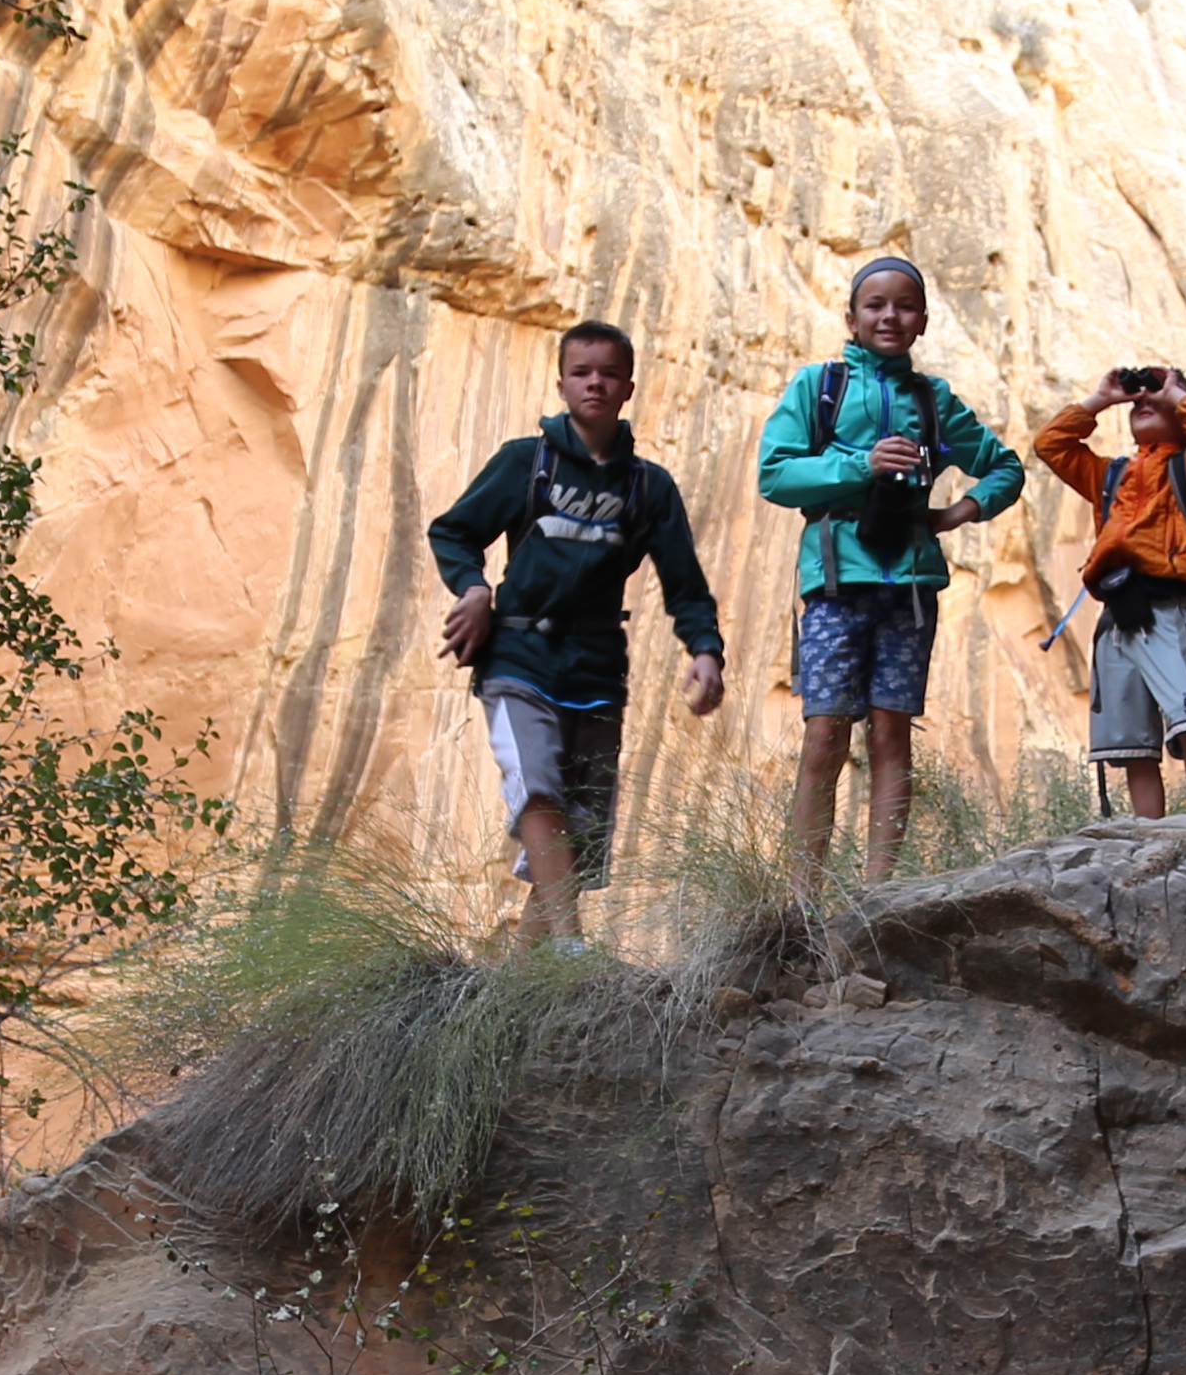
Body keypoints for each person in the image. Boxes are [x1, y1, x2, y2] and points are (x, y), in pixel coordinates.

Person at [428, 318, 726, 942]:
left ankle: (527, 984)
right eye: (582, 372)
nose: (595, 383)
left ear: (629, 388)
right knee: (537, 790)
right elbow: (454, 531)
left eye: (609, 373)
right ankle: (569, 946)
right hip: (517, 656)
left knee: (580, 826)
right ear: (561, 383)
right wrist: (475, 588)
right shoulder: (525, 462)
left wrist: (704, 649)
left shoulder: (649, 487)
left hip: (596, 668)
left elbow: (684, 581)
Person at [754, 255, 1022, 877]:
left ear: (923, 321)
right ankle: (803, 894)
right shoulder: (820, 389)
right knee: (824, 734)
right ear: (851, 318)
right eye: (875, 305)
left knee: (891, 733)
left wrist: (961, 512)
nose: (889, 316)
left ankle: (878, 890)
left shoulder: (933, 403)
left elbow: (1005, 466)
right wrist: (860, 465)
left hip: (909, 588)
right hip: (835, 582)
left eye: (904, 306)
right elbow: (775, 473)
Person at [1034, 362, 1186, 817]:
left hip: (1167, 606)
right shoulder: (1111, 475)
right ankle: (1149, 831)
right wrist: (1102, 400)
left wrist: (1175, 394)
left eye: (1157, 398)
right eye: (1138, 401)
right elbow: (1051, 444)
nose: (1145, 402)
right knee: (1131, 740)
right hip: (1118, 611)